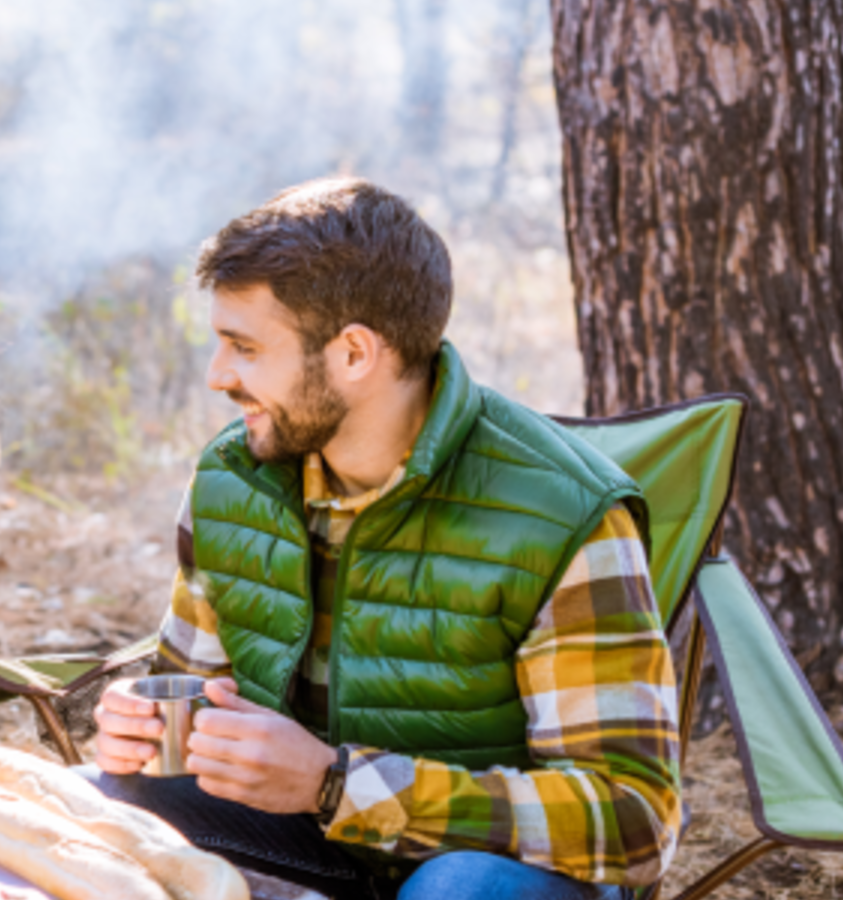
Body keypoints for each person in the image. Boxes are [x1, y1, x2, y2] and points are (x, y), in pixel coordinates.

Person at [87, 178, 680, 900]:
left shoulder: (565, 516)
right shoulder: (234, 478)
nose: (218, 377)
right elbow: (196, 698)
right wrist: (143, 735)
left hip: (493, 873)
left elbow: (632, 820)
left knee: (456, 890)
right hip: (314, 843)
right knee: (90, 804)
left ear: (355, 353)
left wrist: (336, 784)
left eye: (244, 346)